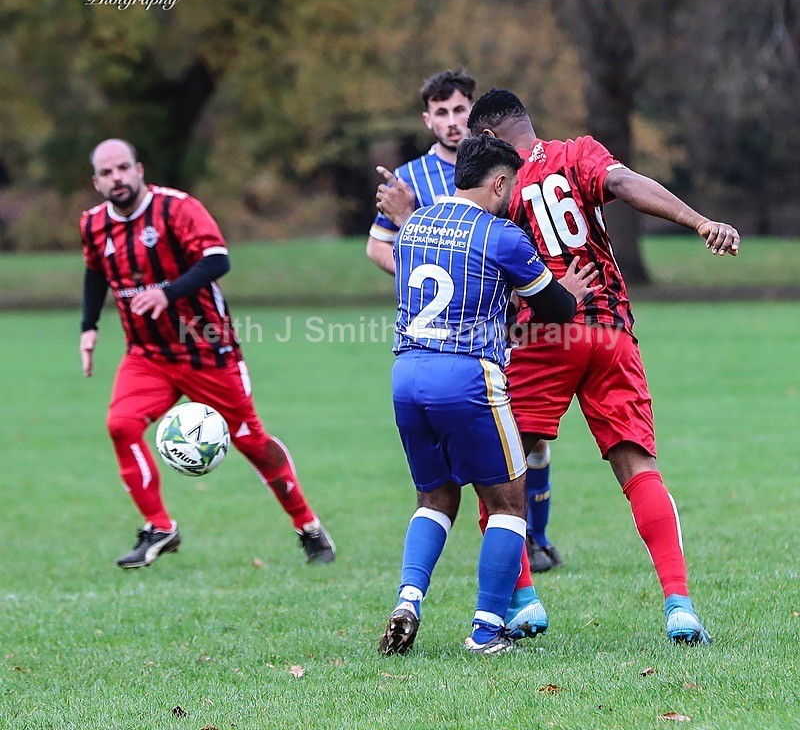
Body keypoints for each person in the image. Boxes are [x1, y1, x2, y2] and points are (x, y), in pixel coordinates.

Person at [380, 135, 596, 656]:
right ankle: (486, 630)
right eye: (513, 185)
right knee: (508, 504)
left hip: (407, 376)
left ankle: (409, 600)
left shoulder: (413, 229)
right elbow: (556, 311)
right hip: (467, 377)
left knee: (434, 499)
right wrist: (575, 293)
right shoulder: (500, 236)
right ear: (498, 182)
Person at [79, 138, 335, 568]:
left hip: (207, 350)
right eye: (106, 173)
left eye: (123, 168)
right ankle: (160, 528)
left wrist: (167, 292)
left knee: (251, 442)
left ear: (139, 169)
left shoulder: (176, 209)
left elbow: (217, 260)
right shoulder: (92, 224)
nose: (116, 178)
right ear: (96, 181)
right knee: (121, 425)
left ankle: (308, 526)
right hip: (147, 354)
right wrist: (89, 327)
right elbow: (94, 272)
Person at [367, 67, 561, 573]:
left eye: (461, 111)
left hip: (423, 358)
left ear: (475, 117)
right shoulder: (411, 180)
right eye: (443, 112)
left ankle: (531, 543)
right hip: (468, 349)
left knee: (526, 440)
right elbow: (380, 246)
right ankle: (502, 605)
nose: (453, 121)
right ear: (427, 119)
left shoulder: (511, 165)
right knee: (503, 475)